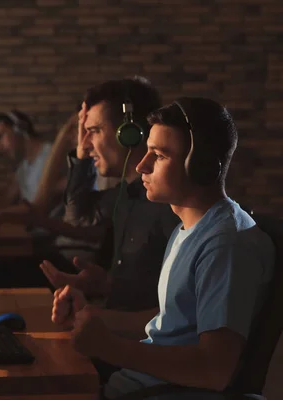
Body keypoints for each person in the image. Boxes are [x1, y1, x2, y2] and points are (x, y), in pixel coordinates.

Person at [52, 97, 275, 398]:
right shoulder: (189, 226)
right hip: (137, 385)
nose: (142, 164)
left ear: (201, 166)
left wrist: (110, 347)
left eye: (158, 155)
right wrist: (92, 317)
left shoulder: (226, 244)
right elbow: (170, 321)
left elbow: (214, 369)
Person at [2, 77, 180, 311]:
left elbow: (175, 310)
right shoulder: (127, 194)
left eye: (94, 131)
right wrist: (106, 285)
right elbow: (78, 215)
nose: (85, 146)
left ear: (129, 132)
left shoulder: (171, 204)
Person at [0, 110, 57, 210]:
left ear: (18, 129)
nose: (0, 146)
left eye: (0, 136)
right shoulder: (23, 169)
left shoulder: (53, 155)